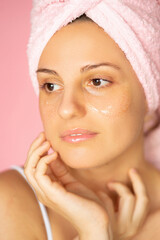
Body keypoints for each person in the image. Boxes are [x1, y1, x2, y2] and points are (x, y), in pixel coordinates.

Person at [0, 1, 160, 239]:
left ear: (149, 92)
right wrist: (94, 232)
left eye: (97, 81)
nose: (66, 109)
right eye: (51, 85)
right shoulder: (10, 202)